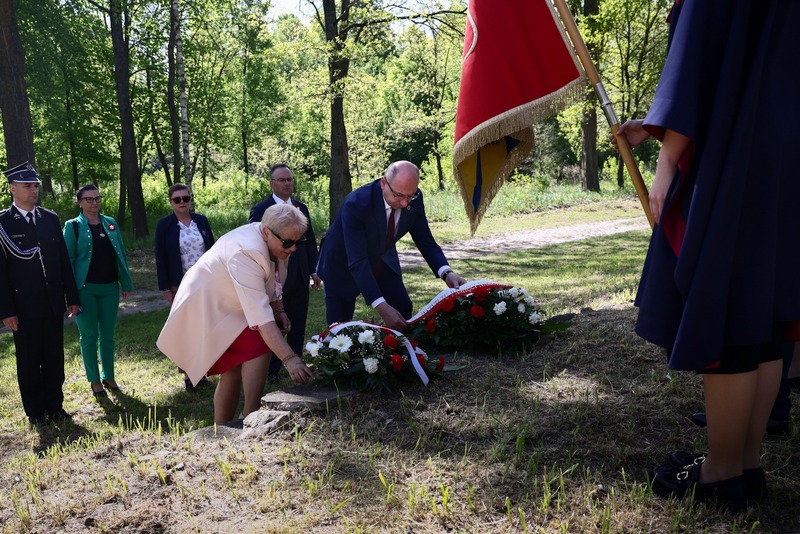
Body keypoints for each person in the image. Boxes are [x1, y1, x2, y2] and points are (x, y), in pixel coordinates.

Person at [629, 0, 800, 510]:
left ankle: (721, 470)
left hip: (735, 148)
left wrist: (666, 160)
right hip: (786, 151)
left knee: (726, 301)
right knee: (764, 309)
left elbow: (695, 60)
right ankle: (746, 464)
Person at [157, 203, 314, 424]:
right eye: (289, 243)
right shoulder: (247, 252)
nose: (294, 248)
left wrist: (279, 309)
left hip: (235, 301)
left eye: (299, 242)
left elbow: (273, 278)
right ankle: (244, 418)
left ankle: (236, 422)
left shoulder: (277, 236)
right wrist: (290, 360)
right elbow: (261, 318)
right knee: (253, 348)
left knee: (236, 364)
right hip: (211, 304)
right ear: (267, 232)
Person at [316, 160, 466, 331]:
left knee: (402, 309)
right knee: (340, 329)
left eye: (411, 195)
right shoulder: (356, 204)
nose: (405, 203)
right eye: (399, 196)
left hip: (382, 258)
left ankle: (401, 354)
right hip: (340, 263)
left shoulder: (414, 199)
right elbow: (357, 262)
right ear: (383, 183)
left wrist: (447, 273)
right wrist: (382, 307)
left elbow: (426, 241)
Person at [0, 162, 80, 427]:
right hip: (23, 306)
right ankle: (35, 411)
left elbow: (62, 261)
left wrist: (72, 296)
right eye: (27, 186)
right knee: (29, 359)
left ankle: (55, 405)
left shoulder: (50, 219)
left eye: (35, 185)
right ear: (12, 188)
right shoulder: (3, 223)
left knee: (54, 356)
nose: (34, 190)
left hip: (52, 302)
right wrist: (6, 310)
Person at [249, 163, 320, 383]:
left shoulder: (301, 207)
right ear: (271, 183)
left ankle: (297, 360)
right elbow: (256, 244)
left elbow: (309, 242)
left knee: (298, 319)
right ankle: (273, 366)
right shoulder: (261, 209)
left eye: (289, 179)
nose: (287, 183)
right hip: (276, 274)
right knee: (278, 320)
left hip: (298, 272)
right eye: (281, 180)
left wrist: (314, 269)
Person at [63, 185, 133, 398]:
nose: (94, 202)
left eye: (97, 198)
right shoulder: (73, 226)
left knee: (108, 335)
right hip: (85, 290)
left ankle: (109, 376)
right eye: (89, 199)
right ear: (80, 202)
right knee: (89, 336)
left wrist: (126, 282)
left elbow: (120, 252)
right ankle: (94, 381)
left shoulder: (110, 223)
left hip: (109, 288)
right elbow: (68, 262)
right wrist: (70, 294)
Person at [154, 183, 215, 390]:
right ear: (170, 202)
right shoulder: (165, 225)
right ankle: (190, 375)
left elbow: (213, 251)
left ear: (190, 199)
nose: (182, 203)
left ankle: (204, 370)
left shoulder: (202, 221)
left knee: (205, 326)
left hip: (205, 282)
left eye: (185, 198)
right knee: (186, 329)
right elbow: (160, 258)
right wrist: (166, 289)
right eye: (177, 199)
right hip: (179, 285)